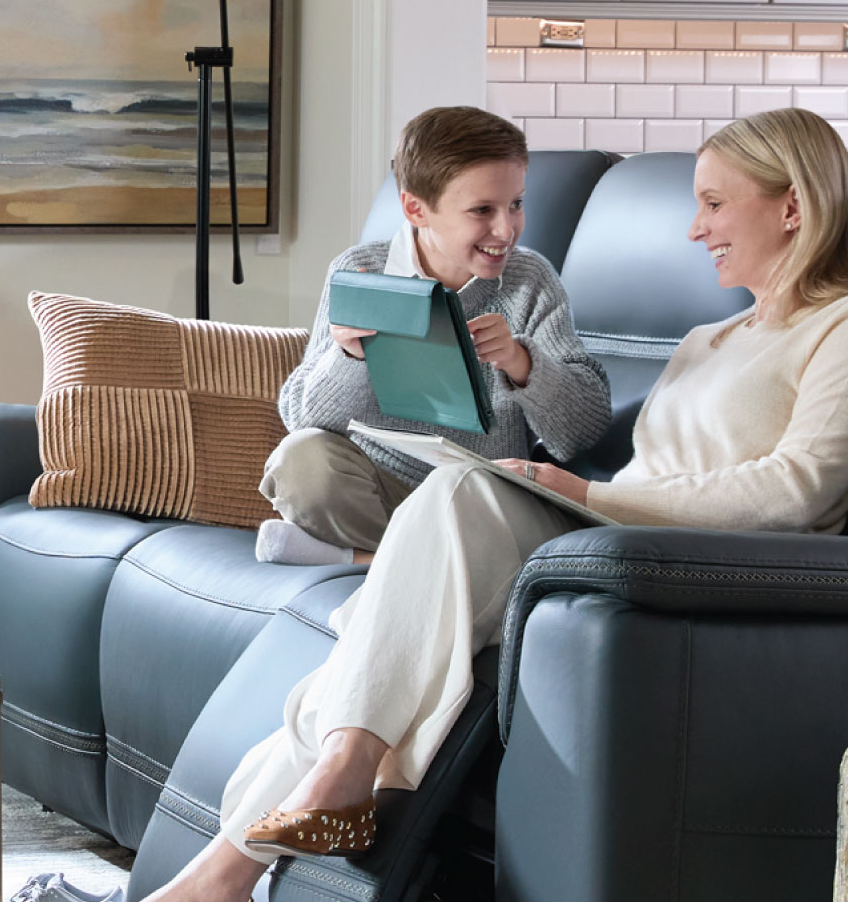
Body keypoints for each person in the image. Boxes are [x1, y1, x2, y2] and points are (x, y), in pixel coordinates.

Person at [38, 108, 848, 902]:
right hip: (610, 543)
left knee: (454, 497)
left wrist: (584, 488)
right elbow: (311, 410)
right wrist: (578, 496)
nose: (696, 229)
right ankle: (244, 862)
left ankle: (245, 866)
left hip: (691, 570)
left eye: (715, 205)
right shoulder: (711, 338)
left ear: (794, 208)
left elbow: (795, 492)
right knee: (387, 624)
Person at [257, 106, 610, 566]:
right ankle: (414, 560)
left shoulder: (531, 281)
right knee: (299, 461)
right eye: (482, 210)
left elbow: (583, 432)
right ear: (415, 208)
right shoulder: (361, 270)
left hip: (477, 495)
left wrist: (523, 364)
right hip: (377, 493)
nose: (506, 229)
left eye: (516, 204)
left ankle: (361, 559)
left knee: (476, 506)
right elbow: (300, 417)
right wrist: (349, 357)